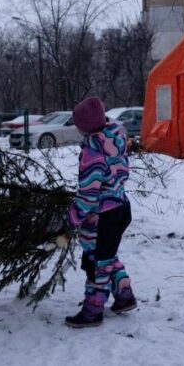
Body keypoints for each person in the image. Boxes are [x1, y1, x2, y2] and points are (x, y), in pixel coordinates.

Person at [58, 96, 136, 328]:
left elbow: (88, 194)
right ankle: (124, 295)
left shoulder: (93, 151)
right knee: (107, 255)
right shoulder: (115, 138)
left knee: (97, 261)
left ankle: (93, 310)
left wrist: (71, 220)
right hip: (120, 207)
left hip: (101, 216)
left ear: (85, 126)